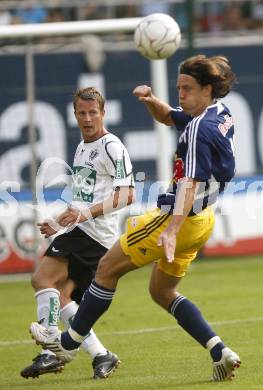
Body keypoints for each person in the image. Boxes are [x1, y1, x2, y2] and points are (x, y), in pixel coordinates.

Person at [29, 55, 241, 382]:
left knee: (106, 269)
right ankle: (220, 352)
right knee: (161, 292)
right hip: (203, 220)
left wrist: (171, 229)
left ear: (208, 89)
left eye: (187, 88)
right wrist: (151, 100)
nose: (180, 94)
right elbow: (170, 116)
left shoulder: (199, 128)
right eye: (178, 88)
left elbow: (190, 183)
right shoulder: (218, 113)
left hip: (179, 218)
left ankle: (68, 344)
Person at [21, 87, 135, 379]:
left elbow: (127, 196)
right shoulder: (83, 148)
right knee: (62, 292)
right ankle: (101, 355)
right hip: (82, 231)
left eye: (92, 112)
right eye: (82, 113)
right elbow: (80, 200)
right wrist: (59, 222)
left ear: (103, 113)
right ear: (74, 115)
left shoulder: (112, 146)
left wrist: (82, 216)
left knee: (41, 279)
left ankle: (50, 345)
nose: (87, 118)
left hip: (95, 235)